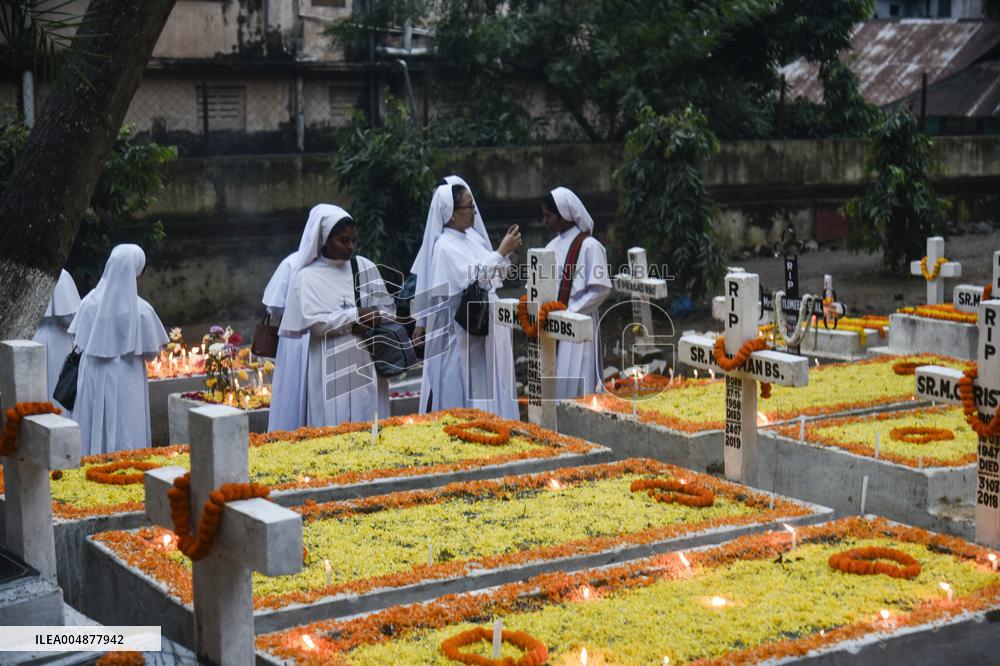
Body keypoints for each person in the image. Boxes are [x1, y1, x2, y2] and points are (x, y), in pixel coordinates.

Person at [279, 205, 396, 426]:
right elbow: (313, 323)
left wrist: (375, 318)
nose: (350, 247)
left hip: (365, 357)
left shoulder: (363, 267)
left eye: (354, 240)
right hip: (327, 360)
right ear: (325, 240)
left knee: (367, 421)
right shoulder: (307, 278)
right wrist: (354, 315)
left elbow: (389, 310)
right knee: (331, 421)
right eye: (343, 241)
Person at [416, 182, 521, 417]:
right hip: (465, 333)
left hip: (488, 327)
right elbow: (472, 282)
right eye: (469, 206)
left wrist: (506, 254)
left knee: (494, 384)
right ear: (451, 214)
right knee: (472, 391)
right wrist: (501, 251)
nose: (474, 211)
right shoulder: (444, 246)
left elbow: (494, 275)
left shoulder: (471, 238)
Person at [69, 245, 168, 455]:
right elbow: (151, 352)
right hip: (127, 377)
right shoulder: (141, 310)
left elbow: (78, 337)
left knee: (91, 424)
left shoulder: (88, 302)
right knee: (127, 428)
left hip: (92, 372)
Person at [543, 187, 612, 399]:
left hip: (578, 322)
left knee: (579, 379)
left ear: (564, 216)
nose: (544, 221)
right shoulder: (550, 246)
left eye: (549, 215)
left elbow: (601, 288)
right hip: (553, 323)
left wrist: (571, 311)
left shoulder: (590, 246)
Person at [262, 249, 309, 432]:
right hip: (301, 339)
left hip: (295, 337)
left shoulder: (292, 262)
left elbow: (274, 307)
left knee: (292, 393)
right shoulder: (341, 266)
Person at [32, 269, 81, 410]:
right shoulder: (60, 274)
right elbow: (67, 317)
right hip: (57, 339)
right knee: (56, 385)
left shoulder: (33, 268)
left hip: (37, 336)